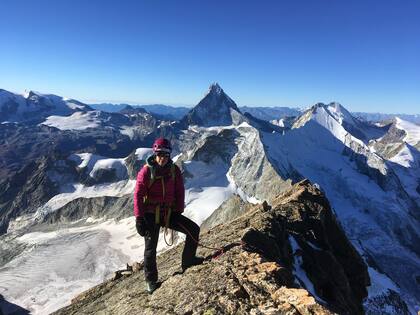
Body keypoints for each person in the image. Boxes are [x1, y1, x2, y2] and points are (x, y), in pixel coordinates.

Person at [134, 138, 204, 294]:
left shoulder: (174, 170)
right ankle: (151, 281)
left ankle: (188, 261)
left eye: (165, 154)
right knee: (150, 250)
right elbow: (138, 195)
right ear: (155, 153)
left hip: (169, 212)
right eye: (160, 154)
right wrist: (139, 218)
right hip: (150, 214)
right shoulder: (146, 171)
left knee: (193, 230)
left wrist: (178, 210)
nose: (162, 158)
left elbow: (179, 191)